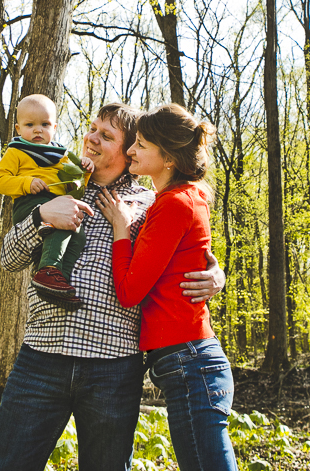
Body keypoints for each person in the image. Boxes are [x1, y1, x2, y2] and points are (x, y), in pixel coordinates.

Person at [0, 102, 225, 471]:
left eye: (106, 135)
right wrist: (41, 216)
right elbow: (9, 259)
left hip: (113, 368)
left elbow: (187, 250)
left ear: (128, 150)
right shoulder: (55, 184)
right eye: (92, 128)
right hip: (42, 357)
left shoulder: (149, 204)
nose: (90, 138)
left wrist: (216, 274)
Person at [97, 103, 238, 471]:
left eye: (141, 145)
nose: (130, 151)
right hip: (189, 362)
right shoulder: (183, 198)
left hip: (190, 363)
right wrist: (217, 274)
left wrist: (121, 229)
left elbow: (128, 292)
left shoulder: (174, 204)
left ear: (169, 159)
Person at [0, 94, 93, 309]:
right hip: (30, 204)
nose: (38, 130)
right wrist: (26, 183)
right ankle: (48, 269)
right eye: (30, 124)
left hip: (59, 204)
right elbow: (0, 181)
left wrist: (84, 171)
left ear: (54, 127)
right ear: (19, 129)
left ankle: (58, 282)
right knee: (61, 227)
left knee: (78, 235)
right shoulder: (17, 151)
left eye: (45, 124)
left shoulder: (61, 155)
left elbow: (73, 188)